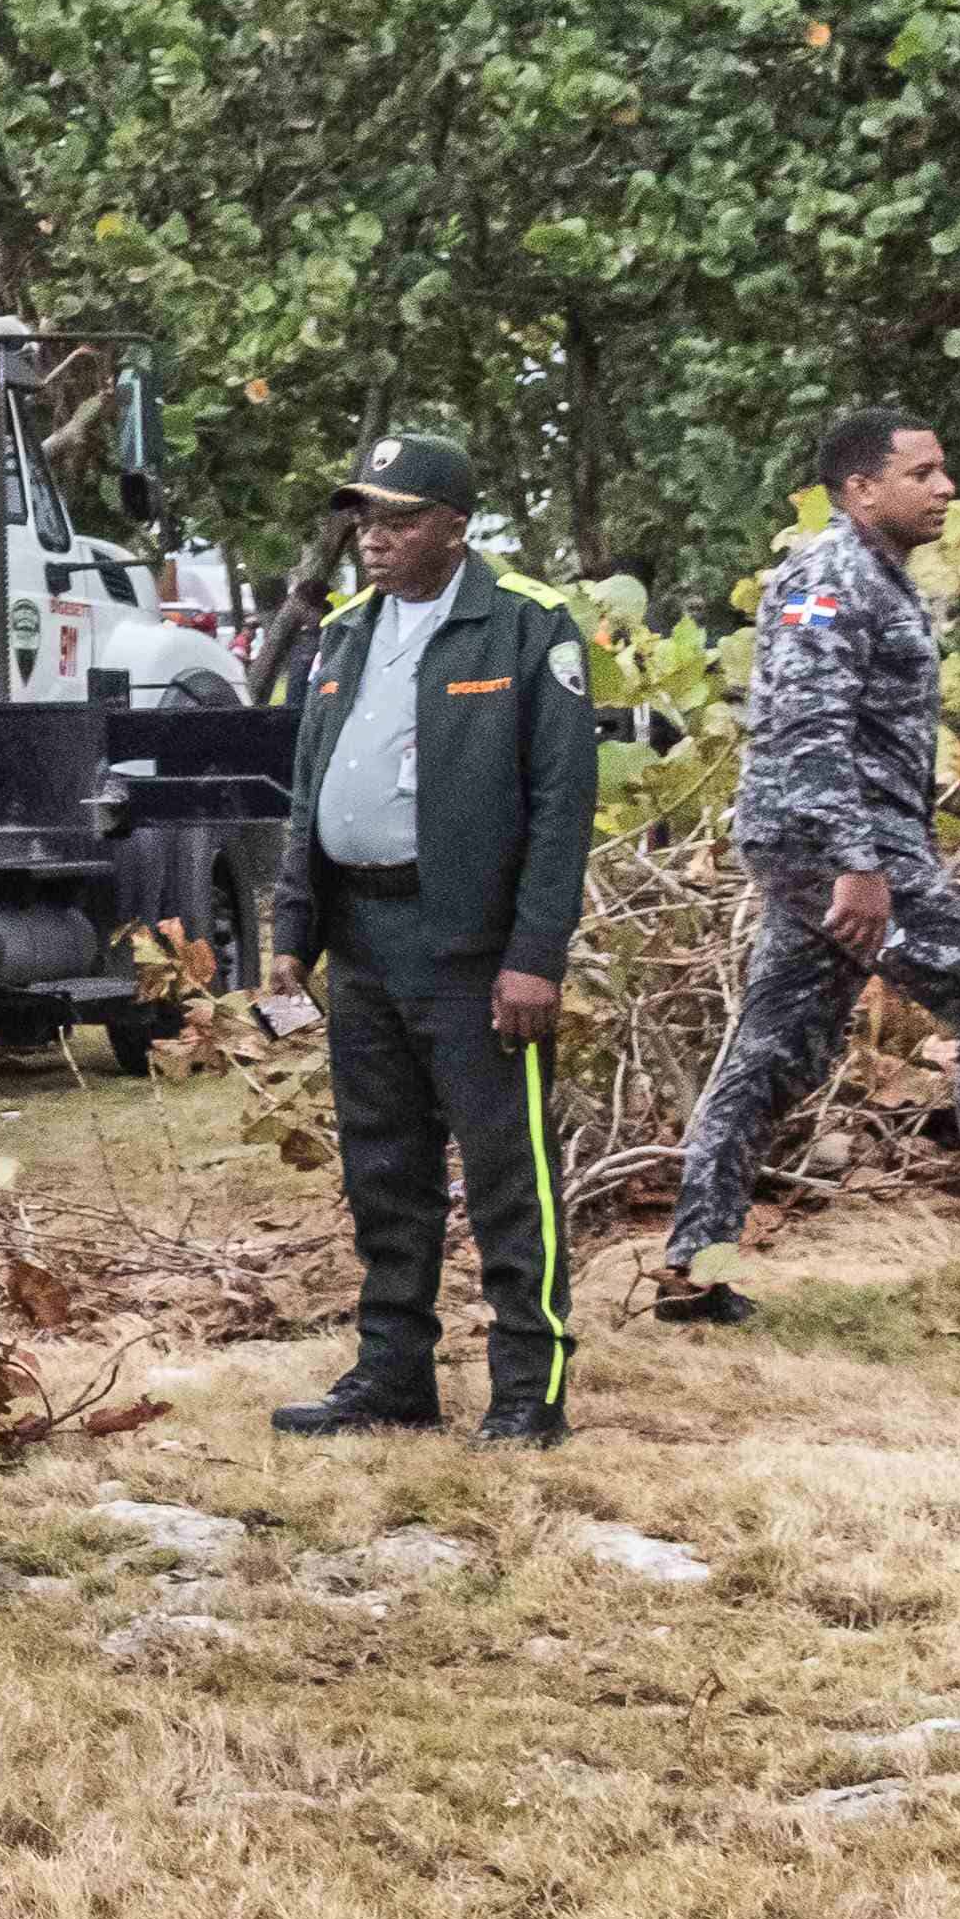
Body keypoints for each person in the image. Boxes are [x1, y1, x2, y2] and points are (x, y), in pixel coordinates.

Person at [654, 408, 960, 1320]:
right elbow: (806, 731)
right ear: (859, 489)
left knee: (769, 1052)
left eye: (943, 471)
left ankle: (697, 1268)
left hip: (827, 842)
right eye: (921, 473)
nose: (944, 489)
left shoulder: (875, 576)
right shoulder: (829, 574)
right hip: (836, 843)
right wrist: (859, 865)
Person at [265, 432, 600, 1445]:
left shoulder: (524, 627)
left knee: (508, 1174)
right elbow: (306, 786)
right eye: (364, 517)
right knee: (382, 1170)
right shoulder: (347, 631)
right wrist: (290, 929)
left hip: (470, 948)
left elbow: (559, 807)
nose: (373, 537)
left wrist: (532, 956)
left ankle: (524, 1391)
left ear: (453, 528)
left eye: (399, 518)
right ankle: (391, 1374)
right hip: (362, 937)